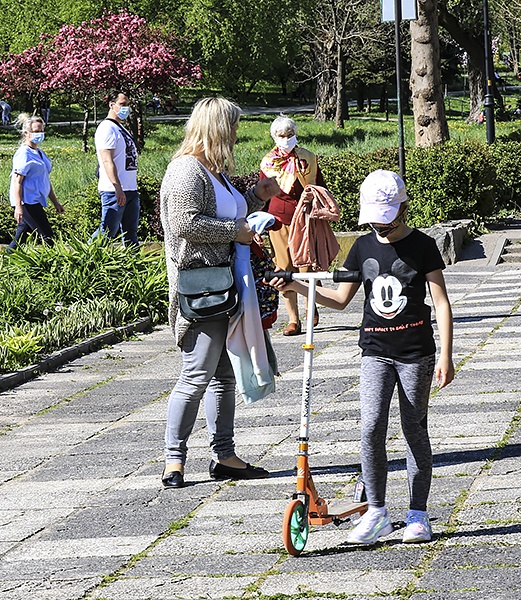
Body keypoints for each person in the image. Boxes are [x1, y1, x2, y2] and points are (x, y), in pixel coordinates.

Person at [268, 170, 455, 545]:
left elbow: (441, 302)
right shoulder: (363, 247)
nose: (380, 226)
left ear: (404, 207)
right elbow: (339, 300)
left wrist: (446, 356)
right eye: (373, 219)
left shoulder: (423, 246)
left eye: (386, 217)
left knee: (413, 428)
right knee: (370, 428)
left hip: (415, 353)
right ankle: (377, 512)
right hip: (375, 351)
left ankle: (418, 514)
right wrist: (299, 287)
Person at [158, 97, 280, 489]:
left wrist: (257, 197)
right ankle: (174, 461)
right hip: (202, 288)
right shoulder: (186, 171)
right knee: (196, 375)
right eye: (233, 126)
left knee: (224, 375)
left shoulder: (215, 173)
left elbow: (228, 210)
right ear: (217, 128)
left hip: (227, 286)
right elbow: (184, 223)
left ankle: (224, 455)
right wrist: (236, 233)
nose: (237, 134)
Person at [260, 115, 326, 336]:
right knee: (284, 269)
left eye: (290, 135)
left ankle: (310, 310)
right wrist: (258, 224)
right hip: (278, 222)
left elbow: (321, 187)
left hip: (304, 219)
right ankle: (293, 320)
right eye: (281, 135)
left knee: (306, 267)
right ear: (273, 137)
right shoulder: (268, 162)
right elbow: (261, 195)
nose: (286, 139)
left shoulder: (307, 157)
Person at [7, 114, 63, 250]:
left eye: (41, 131)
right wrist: (19, 206)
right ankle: (50, 266)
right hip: (27, 202)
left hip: (36, 199)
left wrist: (55, 202)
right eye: (36, 131)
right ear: (26, 133)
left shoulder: (39, 152)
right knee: (47, 236)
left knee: (21, 237)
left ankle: (6, 259)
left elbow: (45, 180)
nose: (40, 134)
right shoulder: (24, 154)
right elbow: (17, 181)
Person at [93, 90, 140, 245]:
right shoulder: (107, 128)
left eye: (128, 105)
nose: (126, 108)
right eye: (122, 104)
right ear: (112, 105)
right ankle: (85, 258)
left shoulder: (120, 127)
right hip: (114, 190)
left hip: (130, 188)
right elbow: (107, 160)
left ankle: (133, 265)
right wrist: (117, 187)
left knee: (130, 232)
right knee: (107, 231)